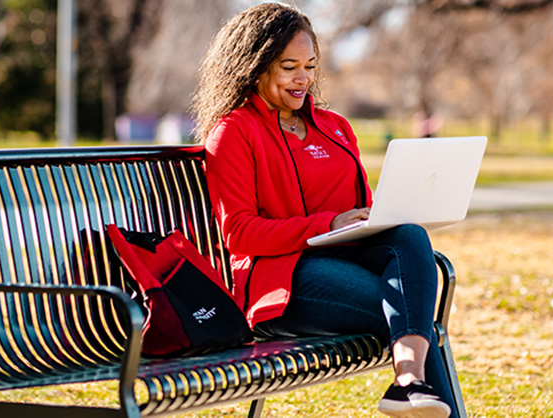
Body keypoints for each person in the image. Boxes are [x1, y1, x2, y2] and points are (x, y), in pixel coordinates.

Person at [192, 3, 456, 418]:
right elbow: (239, 233)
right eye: (289, 67)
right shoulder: (233, 132)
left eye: (310, 65)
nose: (304, 79)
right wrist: (326, 224)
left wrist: (378, 215)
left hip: (345, 257)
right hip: (282, 279)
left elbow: (361, 207)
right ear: (254, 67)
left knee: (409, 235)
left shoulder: (333, 127)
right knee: (412, 312)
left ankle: (408, 381)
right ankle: (412, 384)